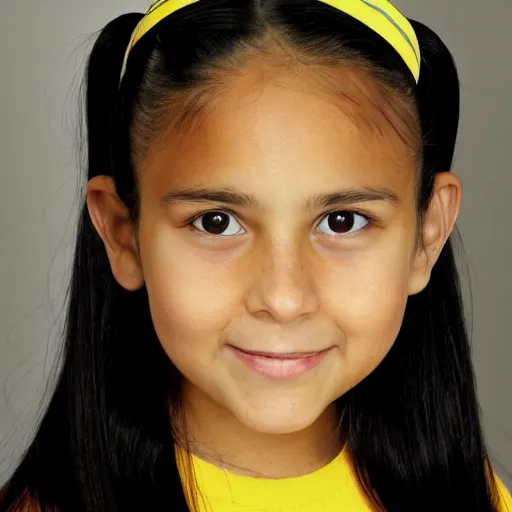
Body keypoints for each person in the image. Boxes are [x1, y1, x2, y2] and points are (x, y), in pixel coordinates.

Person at [1, 0, 511, 510]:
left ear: (427, 236)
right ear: (122, 233)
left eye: (342, 220)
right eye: (216, 222)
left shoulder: (473, 496)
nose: (284, 299)